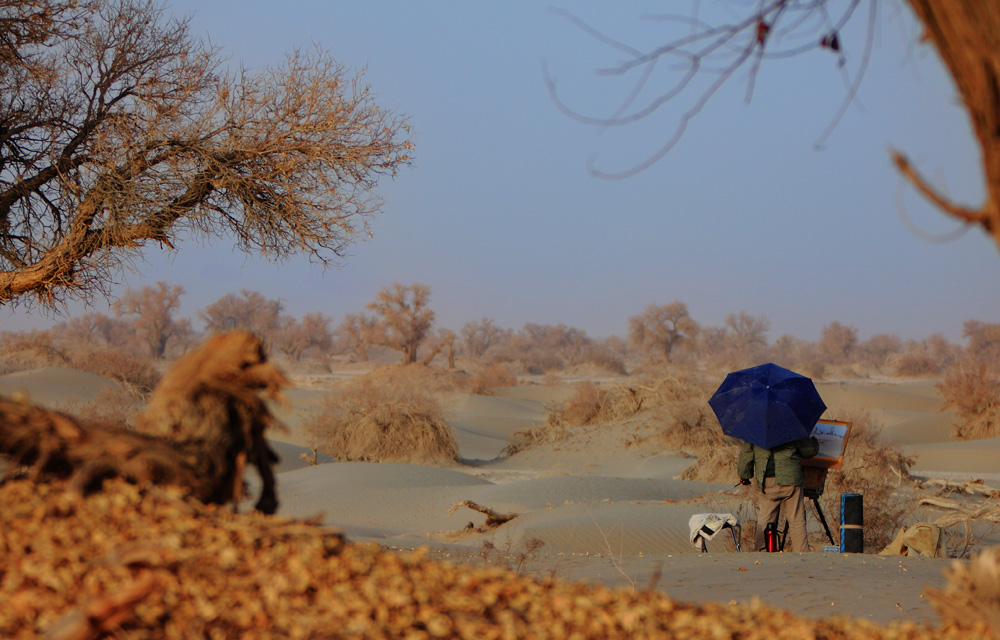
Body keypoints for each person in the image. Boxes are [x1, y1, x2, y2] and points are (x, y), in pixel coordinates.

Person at [737, 436, 819, 552]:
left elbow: (746, 455)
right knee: (796, 521)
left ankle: (761, 553)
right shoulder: (791, 425)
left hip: (767, 482)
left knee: (765, 519)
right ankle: (802, 554)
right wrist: (814, 441)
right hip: (791, 480)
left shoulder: (756, 428)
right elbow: (808, 451)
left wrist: (744, 476)